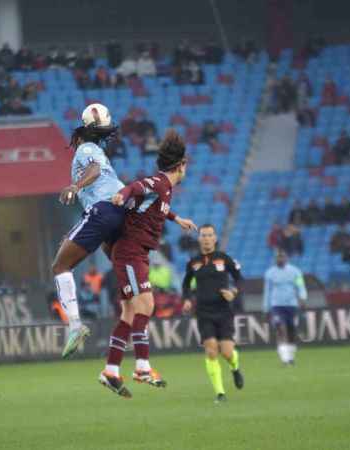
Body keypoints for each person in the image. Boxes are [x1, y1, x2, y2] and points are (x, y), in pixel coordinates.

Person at [100, 129, 196, 398]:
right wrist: (122, 193)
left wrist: (177, 219)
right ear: (181, 165)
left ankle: (111, 370)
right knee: (146, 305)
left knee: (129, 312)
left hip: (133, 252)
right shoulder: (160, 183)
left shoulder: (165, 190)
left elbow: (154, 206)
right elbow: (138, 186)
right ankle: (142, 367)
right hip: (131, 252)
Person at [52, 104, 127, 359]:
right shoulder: (100, 151)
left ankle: (75, 325)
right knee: (121, 265)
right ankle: (135, 325)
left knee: (60, 266)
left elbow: (93, 170)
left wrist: (74, 185)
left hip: (102, 211)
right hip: (119, 211)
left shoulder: (86, 149)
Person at [181, 224, 244, 404]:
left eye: (210, 235)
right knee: (211, 351)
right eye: (203, 235)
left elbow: (239, 279)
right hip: (203, 312)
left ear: (215, 238)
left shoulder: (224, 259)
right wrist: (186, 299)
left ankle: (235, 368)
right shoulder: (193, 262)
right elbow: (186, 285)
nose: (207, 238)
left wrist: (233, 292)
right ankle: (220, 393)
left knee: (227, 352)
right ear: (199, 238)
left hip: (224, 311)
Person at [263, 250, 308, 365]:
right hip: (276, 305)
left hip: (292, 305)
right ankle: (285, 359)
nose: (280, 259)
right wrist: (266, 308)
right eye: (278, 257)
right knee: (280, 329)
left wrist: (303, 297)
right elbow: (267, 291)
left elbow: (301, 286)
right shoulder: (270, 273)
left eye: (282, 257)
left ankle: (291, 357)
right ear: (275, 259)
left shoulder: (295, 271)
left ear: (286, 258)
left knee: (292, 331)